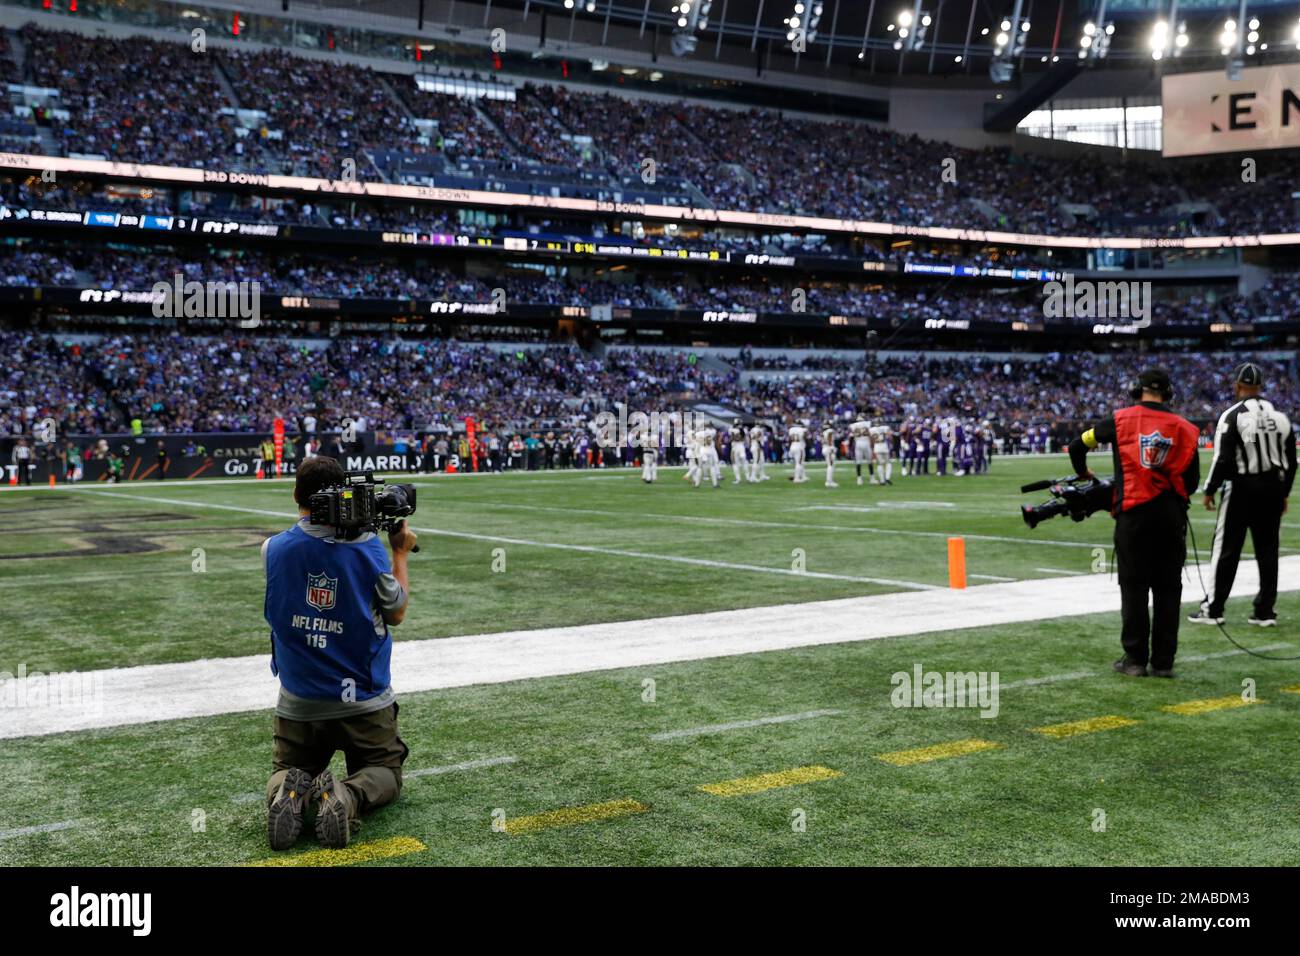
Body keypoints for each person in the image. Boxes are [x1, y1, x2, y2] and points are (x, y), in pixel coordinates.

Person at [262, 457, 416, 850]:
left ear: (296, 495)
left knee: (286, 771)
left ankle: (287, 794)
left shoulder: (272, 549)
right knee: (383, 772)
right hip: (361, 700)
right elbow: (396, 612)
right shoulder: (367, 550)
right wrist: (398, 552)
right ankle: (346, 795)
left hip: (299, 701)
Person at [1069, 368, 1200, 678]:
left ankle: (1135, 659)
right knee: (1169, 588)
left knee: (1134, 587)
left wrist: (1084, 474)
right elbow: (1191, 483)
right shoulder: (1186, 429)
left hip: (1133, 516)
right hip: (1170, 517)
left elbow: (1077, 446)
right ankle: (1164, 661)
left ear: (1136, 390)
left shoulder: (1118, 421)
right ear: (1168, 394)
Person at [1190, 362, 1296, 628]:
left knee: (1226, 549)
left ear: (1238, 386)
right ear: (1260, 387)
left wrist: (1210, 489)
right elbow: (1292, 462)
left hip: (1242, 488)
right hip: (1272, 487)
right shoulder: (1281, 417)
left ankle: (1213, 609)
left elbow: (1223, 458)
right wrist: (1283, 492)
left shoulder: (1233, 415)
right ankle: (1265, 611)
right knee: (1268, 550)